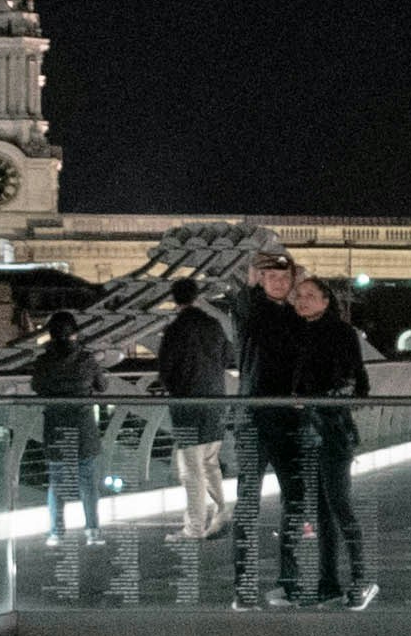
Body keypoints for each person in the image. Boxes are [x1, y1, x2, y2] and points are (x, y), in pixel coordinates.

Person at [289, 271, 380, 606]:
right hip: (306, 431)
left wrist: (318, 400)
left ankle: (360, 579)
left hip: (332, 431)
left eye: (310, 295)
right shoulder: (296, 333)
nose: (302, 300)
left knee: (340, 506)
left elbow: (358, 383)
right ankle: (328, 583)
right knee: (323, 512)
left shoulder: (340, 333)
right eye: (299, 296)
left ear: (327, 302)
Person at [228, 248, 308, 604]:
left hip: (286, 420)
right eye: (270, 276)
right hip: (253, 420)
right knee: (248, 503)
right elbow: (244, 298)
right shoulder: (249, 311)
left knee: (295, 499)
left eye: (283, 277)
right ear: (259, 279)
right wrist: (249, 281)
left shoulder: (296, 317)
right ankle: (244, 583)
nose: (278, 281)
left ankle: (288, 581)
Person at [153, 275, 235, 538]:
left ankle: (195, 528)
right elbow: (228, 357)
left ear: (174, 300)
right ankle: (221, 512)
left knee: (191, 469)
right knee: (210, 463)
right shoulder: (212, 325)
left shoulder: (175, 329)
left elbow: (166, 370)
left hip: (188, 406)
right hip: (215, 402)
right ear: (197, 296)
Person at [32, 305, 106, 548]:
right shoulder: (87, 359)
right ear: (75, 333)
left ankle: (56, 532)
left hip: (56, 427)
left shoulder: (43, 362)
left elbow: (37, 387)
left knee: (57, 483)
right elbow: (102, 386)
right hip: (83, 427)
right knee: (88, 482)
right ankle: (93, 531)